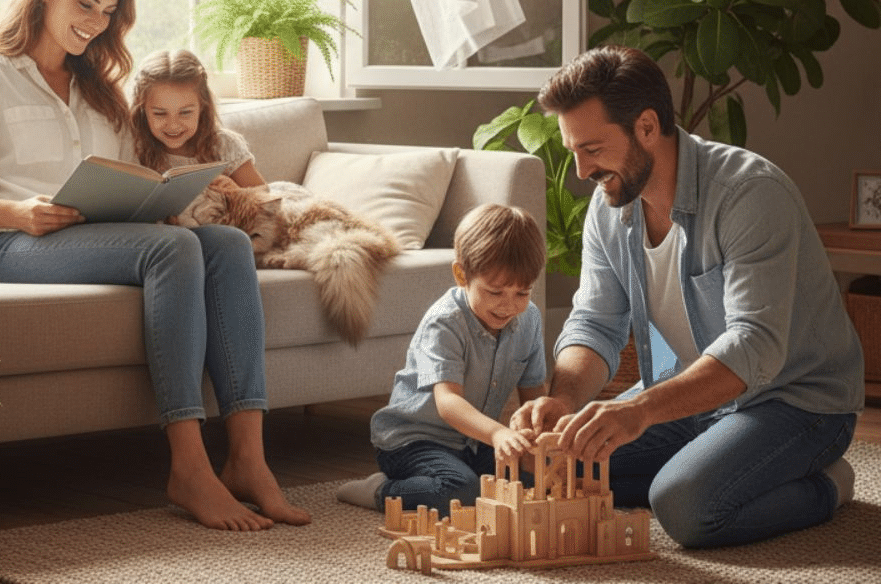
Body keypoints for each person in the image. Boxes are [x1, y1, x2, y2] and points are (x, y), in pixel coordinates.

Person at [0, 0, 309, 532]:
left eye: (107, 12)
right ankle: (188, 468)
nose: (96, 23)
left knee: (225, 244)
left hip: (99, 238)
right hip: (9, 246)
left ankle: (249, 461)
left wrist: (166, 196)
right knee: (173, 247)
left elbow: (132, 174)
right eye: (84, 4)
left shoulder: (100, 90)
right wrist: (20, 212)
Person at [511, 45, 864, 548]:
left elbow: (752, 347)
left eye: (592, 149)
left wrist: (640, 411)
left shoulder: (750, 194)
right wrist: (563, 398)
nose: (581, 171)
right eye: (574, 152)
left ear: (647, 127)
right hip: (693, 397)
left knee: (684, 505)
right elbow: (594, 322)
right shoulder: (611, 205)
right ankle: (720, 458)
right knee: (546, 469)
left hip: (796, 401)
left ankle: (827, 484)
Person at [336, 203, 548, 512]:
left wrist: (536, 441)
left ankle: (475, 473)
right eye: (494, 292)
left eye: (522, 293)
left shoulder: (529, 319)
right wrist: (499, 432)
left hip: (473, 443)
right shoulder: (445, 322)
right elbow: (448, 403)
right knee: (458, 490)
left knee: (531, 484)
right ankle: (380, 490)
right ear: (461, 274)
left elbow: (534, 394)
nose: (508, 305)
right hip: (413, 441)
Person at [130, 48, 266, 188]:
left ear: (202, 106)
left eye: (185, 113)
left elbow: (264, 196)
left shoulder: (224, 145)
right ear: (142, 110)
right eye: (159, 113)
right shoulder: (136, 148)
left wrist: (234, 190)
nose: (173, 125)